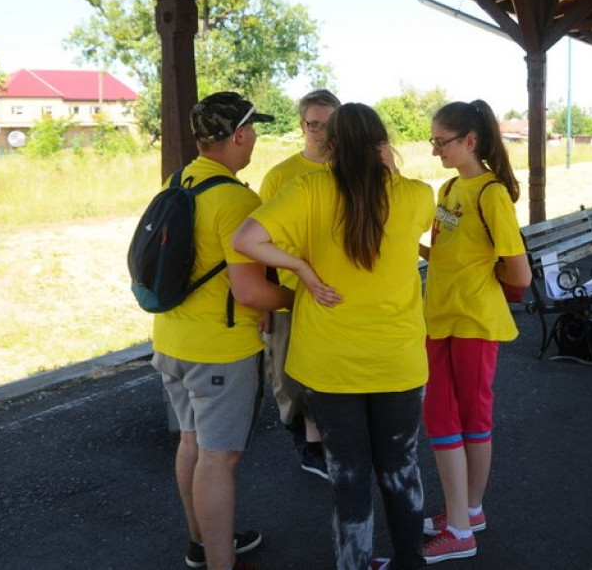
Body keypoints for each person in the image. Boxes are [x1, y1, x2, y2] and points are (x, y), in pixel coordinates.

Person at [234, 103, 434, 570]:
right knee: (401, 470)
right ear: (383, 145)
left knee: (348, 475)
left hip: (326, 363)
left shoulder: (308, 188)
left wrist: (300, 268)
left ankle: (354, 564)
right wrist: (388, 171)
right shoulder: (418, 194)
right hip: (398, 360)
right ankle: (412, 562)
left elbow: (246, 239)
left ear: (331, 145)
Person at [151, 91, 295, 570]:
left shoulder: (181, 179)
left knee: (191, 444)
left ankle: (200, 542)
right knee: (219, 458)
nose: (254, 139)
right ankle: (220, 562)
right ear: (238, 135)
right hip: (219, 352)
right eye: (253, 130)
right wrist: (301, 296)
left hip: (170, 341)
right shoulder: (235, 199)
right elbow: (251, 291)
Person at [417, 100, 532, 563]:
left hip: (474, 321)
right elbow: (447, 252)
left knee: (467, 417)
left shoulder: (492, 194)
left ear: (470, 141)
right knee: (442, 414)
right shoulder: (448, 189)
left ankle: (463, 527)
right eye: (433, 142)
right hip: (440, 317)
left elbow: (520, 275)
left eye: (441, 142)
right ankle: (464, 511)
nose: (435, 151)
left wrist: (476, 283)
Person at [258, 88, 341, 480]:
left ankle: (321, 446)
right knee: (290, 380)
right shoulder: (279, 177)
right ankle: (307, 443)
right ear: (301, 125)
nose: (321, 133)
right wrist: (264, 303)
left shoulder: (351, 170)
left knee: (333, 375)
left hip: (338, 296)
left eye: (329, 125)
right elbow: (258, 244)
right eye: (313, 125)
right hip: (291, 295)